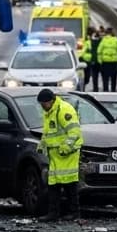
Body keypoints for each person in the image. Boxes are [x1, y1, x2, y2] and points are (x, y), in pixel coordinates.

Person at [37, 88, 83, 221]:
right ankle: (53, 213)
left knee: (70, 184)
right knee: (53, 185)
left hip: (67, 154)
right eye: (41, 104)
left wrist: (66, 147)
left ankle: (74, 212)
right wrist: (42, 145)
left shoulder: (64, 110)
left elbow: (74, 132)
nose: (42, 106)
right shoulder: (49, 112)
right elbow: (48, 132)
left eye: (44, 104)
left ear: (51, 100)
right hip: (55, 155)